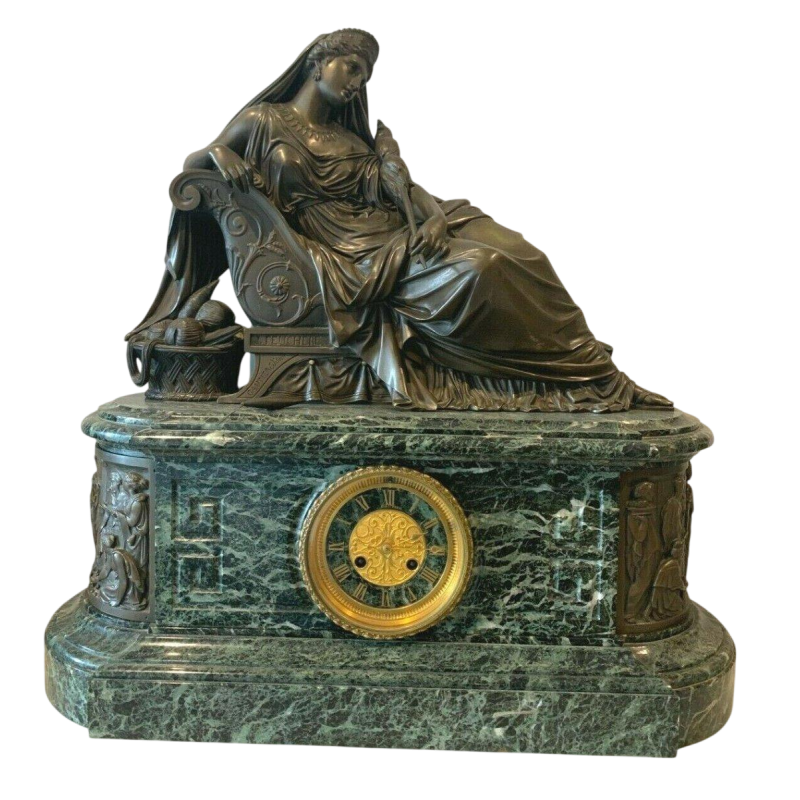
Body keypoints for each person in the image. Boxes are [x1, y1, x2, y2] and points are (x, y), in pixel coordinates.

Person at [127, 27, 674, 413]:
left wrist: (431, 216)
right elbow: (192, 169)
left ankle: (600, 375)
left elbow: (401, 190)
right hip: (336, 254)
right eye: (350, 67)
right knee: (481, 269)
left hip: (386, 232)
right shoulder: (262, 120)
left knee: (520, 253)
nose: (357, 82)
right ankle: (578, 375)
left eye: (365, 75)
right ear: (317, 62)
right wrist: (215, 153)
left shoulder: (353, 137)